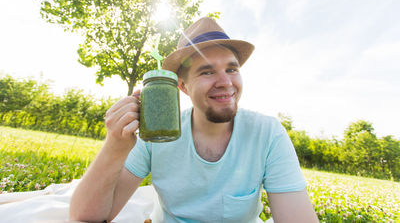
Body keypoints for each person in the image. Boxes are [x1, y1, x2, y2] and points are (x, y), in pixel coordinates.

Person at [69, 17, 319, 223]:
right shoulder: (155, 135)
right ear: (183, 87)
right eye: (207, 71)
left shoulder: (267, 134)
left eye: (231, 69)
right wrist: (115, 145)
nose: (226, 82)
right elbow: (85, 217)